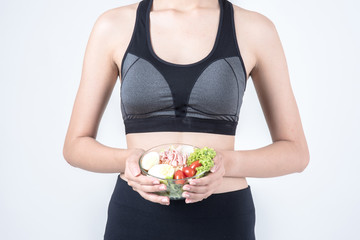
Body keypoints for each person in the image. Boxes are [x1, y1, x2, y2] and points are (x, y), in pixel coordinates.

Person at [63, 0, 310, 239]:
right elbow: (75, 145)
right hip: (136, 217)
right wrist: (128, 160)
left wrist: (225, 164)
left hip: (223, 218)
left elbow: (295, 153)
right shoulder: (113, 26)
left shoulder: (255, 29)